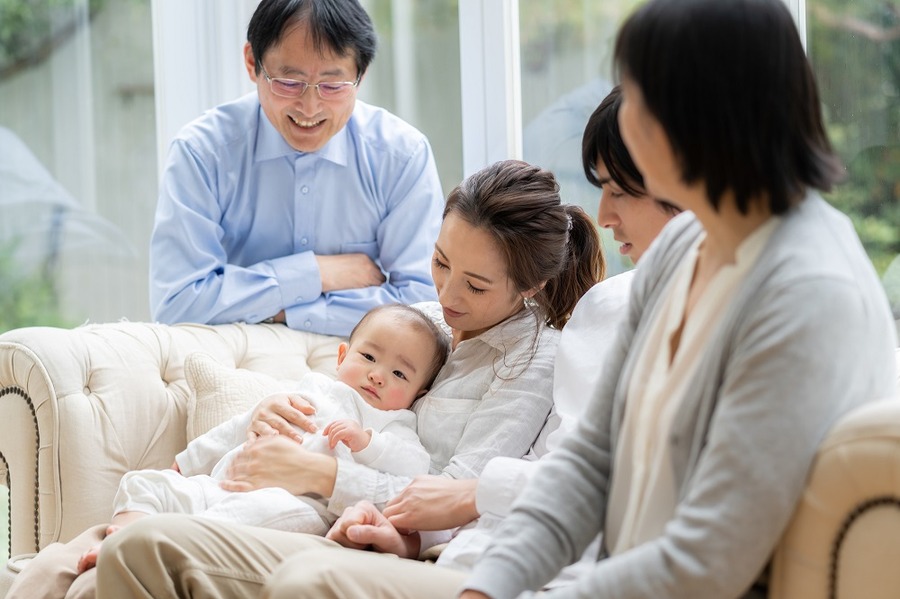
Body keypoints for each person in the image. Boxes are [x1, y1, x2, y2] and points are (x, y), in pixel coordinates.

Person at [458, 1, 899, 598]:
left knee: (313, 578)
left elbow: (707, 559)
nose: (623, 115)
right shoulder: (686, 245)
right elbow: (591, 460)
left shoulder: (809, 293)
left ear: (696, 117)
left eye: (636, 96)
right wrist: (486, 587)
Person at [10, 158, 603, 598]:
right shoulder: (424, 321)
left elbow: (456, 494)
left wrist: (322, 473)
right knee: (55, 566)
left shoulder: (533, 363)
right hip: (279, 492)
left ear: (530, 287)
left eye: (474, 286)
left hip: (342, 530)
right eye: (440, 261)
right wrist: (269, 416)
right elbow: (337, 382)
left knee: (132, 555)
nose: (446, 294)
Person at [148, 0, 444, 348]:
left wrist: (283, 309)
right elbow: (177, 302)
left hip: (358, 368)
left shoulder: (401, 155)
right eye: (289, 82)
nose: (310, 107)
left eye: (332, 86)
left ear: (360, 76)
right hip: (234, 357)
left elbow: (421, 307)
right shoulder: (202, 152)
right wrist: (319, 273)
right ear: (251, 63)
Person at [73, 303, 449, 574]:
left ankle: (167, 546)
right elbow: (241, 426)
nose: (378, 375)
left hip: (296, 505)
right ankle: (120, 540)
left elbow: (413, 468)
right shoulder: (309, 389)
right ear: (341, 356)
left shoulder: (394, 424)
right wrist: (188, 462)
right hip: (223, 484)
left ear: (418, 394)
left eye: (400, 374)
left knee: (254, 515)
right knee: (146, 482)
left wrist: (368, 443)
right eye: (368, 356)